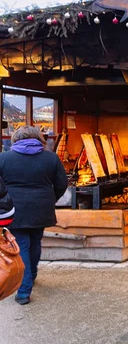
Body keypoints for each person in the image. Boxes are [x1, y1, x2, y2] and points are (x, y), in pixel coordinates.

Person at [0, 126, 68, 305]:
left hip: (15, 208)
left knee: (21, 244)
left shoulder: (4, 158)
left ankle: (23, 291)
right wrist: (50, 199)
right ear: (39, 139)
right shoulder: (50, 158)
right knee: (35, 241)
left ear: (15, 139)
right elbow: (62, 183)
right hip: (42, 208)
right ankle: (32, 275)